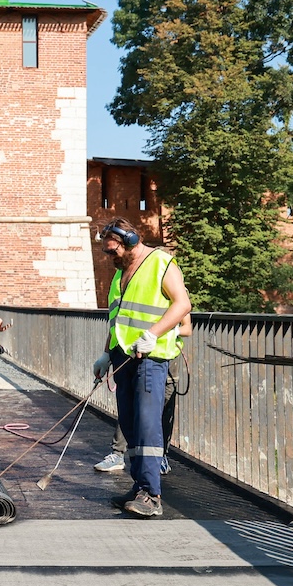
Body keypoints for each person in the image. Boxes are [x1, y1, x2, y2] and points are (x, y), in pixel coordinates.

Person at [92, 218, 191, 518]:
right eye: (107, 253)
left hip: (151, 358)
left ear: (131, 241)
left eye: (113, 251)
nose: (110, 258)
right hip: (123, 359)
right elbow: (118, 320)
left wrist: (153, 334)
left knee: (148, 425)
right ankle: (138, 487)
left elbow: (182, 305)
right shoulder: (119, 276)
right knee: (131, 424)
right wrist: (106, 354)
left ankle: (152, 494)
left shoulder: (160, 262)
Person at [95, 312, 191, 475]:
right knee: (130, 408)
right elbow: (116, 328)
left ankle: (160, 457)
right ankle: (118, 454)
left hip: (165, 361)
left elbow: (187, 328)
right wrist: (107, 355)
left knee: (161, 412)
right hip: (136, 359)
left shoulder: (177, 292)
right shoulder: (131, 291)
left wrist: (164, 331)